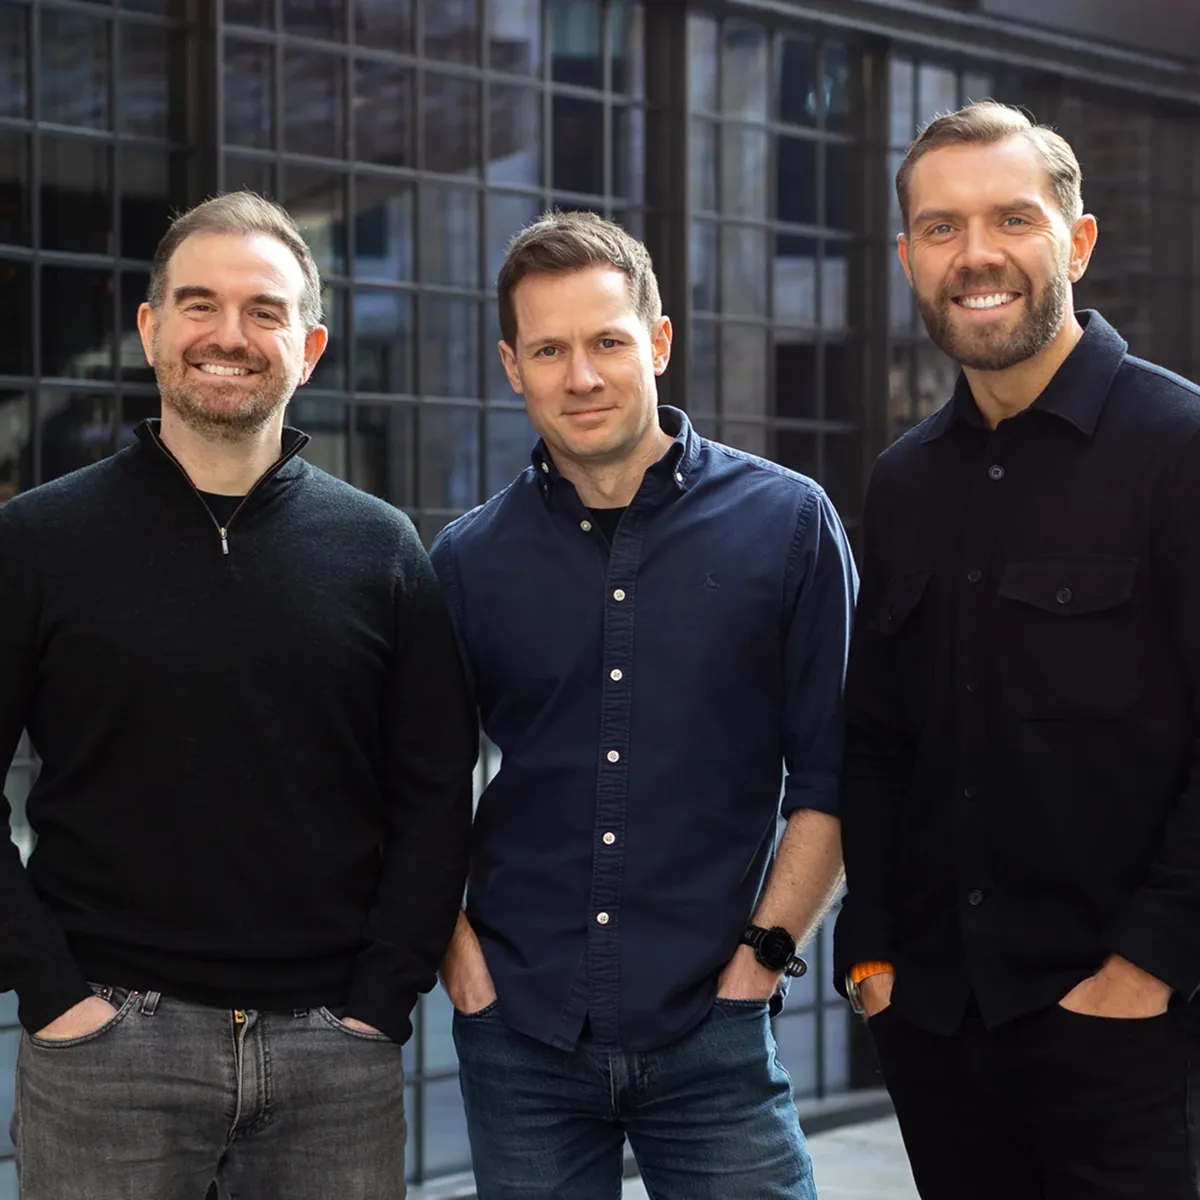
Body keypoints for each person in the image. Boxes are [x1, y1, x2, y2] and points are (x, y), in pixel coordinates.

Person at [0, 192, 477, 1198]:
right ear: (152, 328)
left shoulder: (382, 549)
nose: (229, 335)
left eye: (264, 311)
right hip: (108, 1052)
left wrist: (380, 1002)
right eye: (199, 303)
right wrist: (49, 993)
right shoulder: (40, 542)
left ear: (310, 346)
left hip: (330, 1060)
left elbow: (434, 793)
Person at [430, 210, 857, 1199]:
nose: (580, 376)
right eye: (549, 349)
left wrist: (764, 959)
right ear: (512, 365)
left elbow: (837, 765)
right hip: (522, 1031)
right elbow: (416, 783)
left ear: (659, 342)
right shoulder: (467, 561)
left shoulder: (788, 526)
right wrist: (462, 962)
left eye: (607, 341)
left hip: (713, 1030)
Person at [834, 100, 1200, 1199]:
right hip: (937, 1026)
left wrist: (1146, 971)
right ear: (907, 258)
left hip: (1130, 1034)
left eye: (1012, 219)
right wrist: (875, 956)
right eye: (940, 228)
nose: (976, 255)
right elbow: (882, 736)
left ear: (1077, 241)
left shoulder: (1180, 451)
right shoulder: (904, 481)